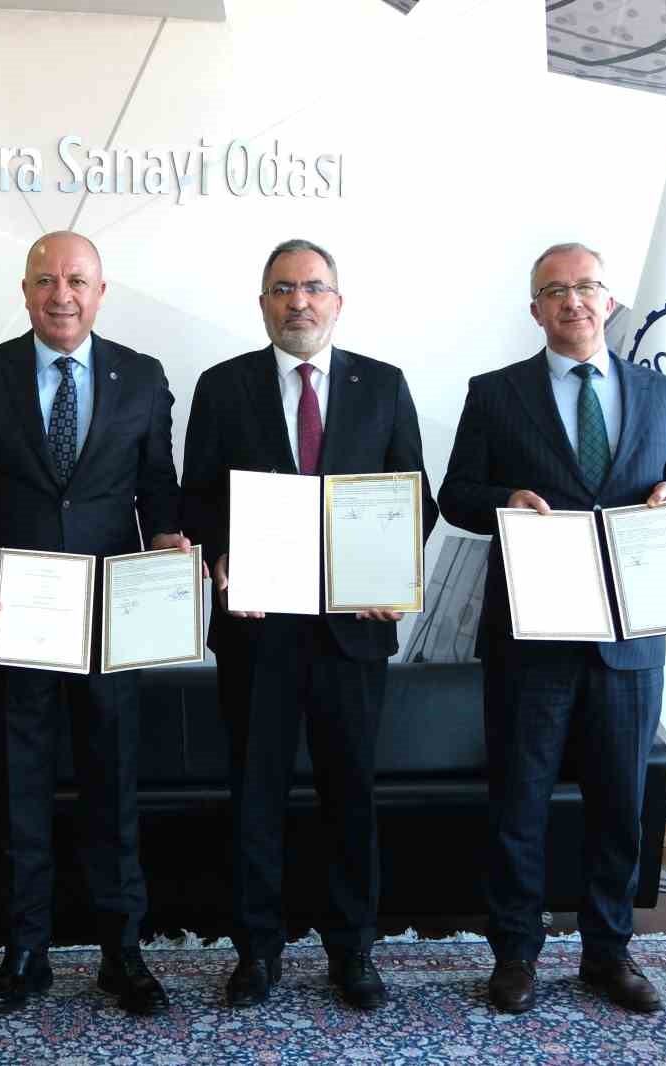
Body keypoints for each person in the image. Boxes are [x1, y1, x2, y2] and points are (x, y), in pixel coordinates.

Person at [437, 242, 666, 1015]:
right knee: (518, 804)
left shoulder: (658, 392)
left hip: (630, 639)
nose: (573, 301)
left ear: (609, 301)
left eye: (586, 286)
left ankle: (608, 954)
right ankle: (515, 955)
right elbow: (455, 494)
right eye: (555, 291)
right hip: (532, 639)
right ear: (536, 310)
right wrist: (507, 500)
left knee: (621, 806)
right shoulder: (495, 394)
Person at [180, 238, 438, 1010]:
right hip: (257, 629)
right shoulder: (222, 386)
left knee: (350, 795)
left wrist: (390, 573)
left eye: (314, 288)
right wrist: (220, 558)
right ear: (263, 302)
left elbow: (414, 499)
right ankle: (256, 952)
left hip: (352, 631)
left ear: (338, 301)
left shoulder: (383, 385)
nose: (300, 302)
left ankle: (352, 950)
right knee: (254, 795)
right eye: (284, 289)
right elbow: (196, 498)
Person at [0, 231, 185, 1016]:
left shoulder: (142, 376)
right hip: (17, 620)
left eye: (77, 280)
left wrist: (168, 542)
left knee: (114, 792)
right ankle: (24, 955)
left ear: (101, 292)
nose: (62, 295)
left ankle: (123, 954)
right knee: (21, 794)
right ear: (24, 291)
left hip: (113, 624)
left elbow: (157, 489)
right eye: (45, 280)